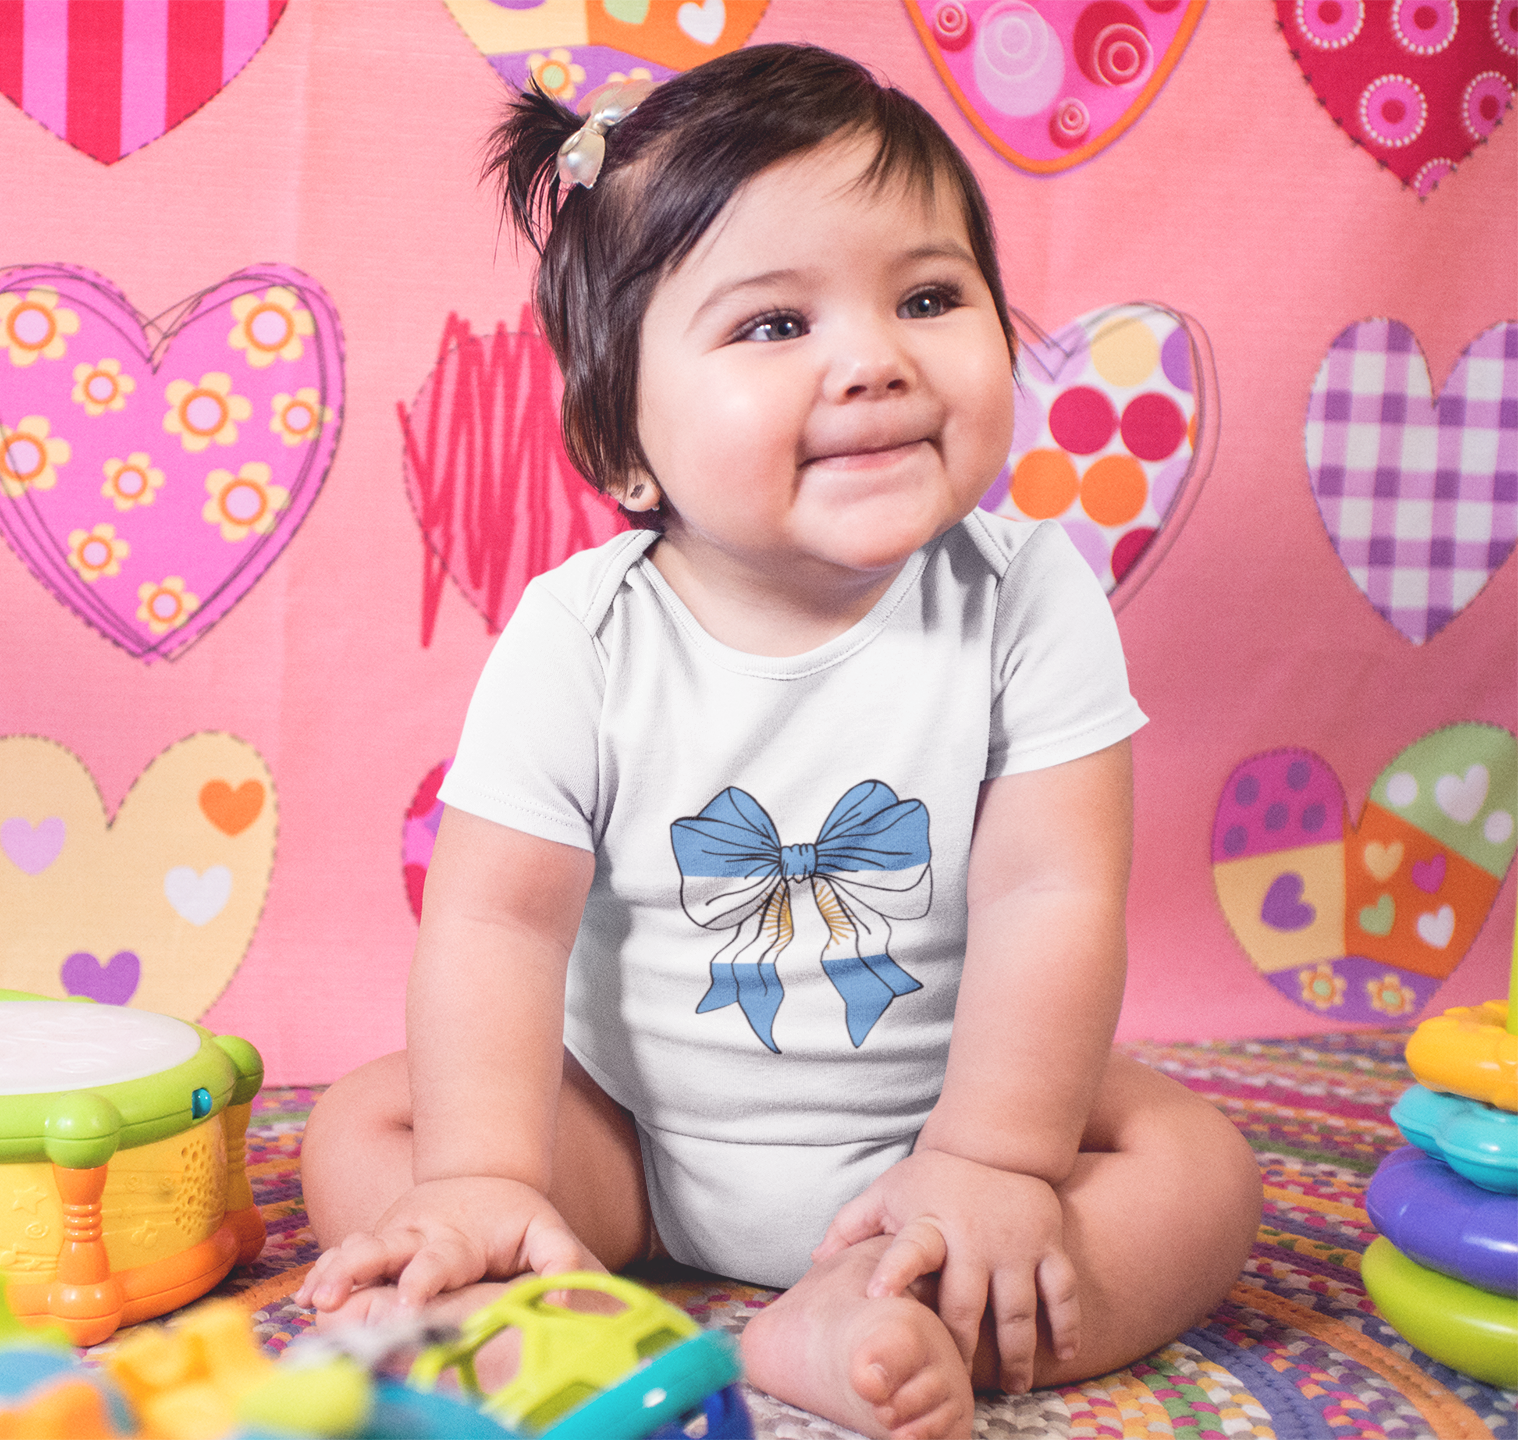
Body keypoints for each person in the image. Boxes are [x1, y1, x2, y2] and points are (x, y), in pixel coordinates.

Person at [297, 44, 1261, 1440]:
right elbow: (500, 924)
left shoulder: (1026, 595)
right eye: (771, 327)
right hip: (630, 1133)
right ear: (623, 441)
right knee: (376, 1135)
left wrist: (993, 1156)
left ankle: (881, 1309)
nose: (874, 359)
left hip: (940, 1116)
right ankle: (528, 1296)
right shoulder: (582, 634)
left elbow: (1055, 891)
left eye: (928, 297)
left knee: (1194, 1170)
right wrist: (491, 1174)